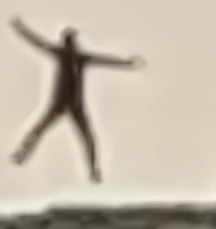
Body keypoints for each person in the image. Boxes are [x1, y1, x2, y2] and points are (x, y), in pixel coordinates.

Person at [8, 17, 144, 183]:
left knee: (78, 136)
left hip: (72, 104)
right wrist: (21, 28)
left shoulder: (77, 57)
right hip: (62, 103)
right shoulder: (69, 55)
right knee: (45, 131)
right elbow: (37, 42)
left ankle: (93, 170)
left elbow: (105, 60)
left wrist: (127, 63)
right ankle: (22, 154)